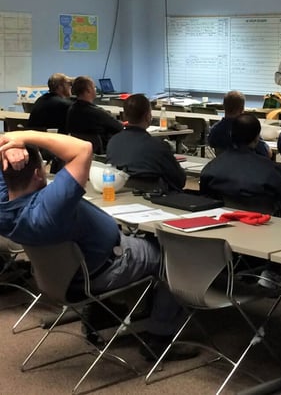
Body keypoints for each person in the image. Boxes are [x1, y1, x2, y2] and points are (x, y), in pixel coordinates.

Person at [0, 131, 195, 359]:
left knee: (145, 240)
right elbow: (83, 148)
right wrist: (24, 136)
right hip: (109, 266)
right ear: (37, 174)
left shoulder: (5, 202)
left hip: (62, 277)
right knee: (172, 254)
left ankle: (105, 311)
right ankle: (160, 338)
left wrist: (9, 146)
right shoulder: (51, 206)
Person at [200, 113, 281, 220]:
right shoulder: (271, 170)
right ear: (257, 138)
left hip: (226, 221)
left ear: (231, 135)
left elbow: (205, 199)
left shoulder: (211, 168)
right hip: (265, 224)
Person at [106, 94, 186, 191]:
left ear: (124, 116)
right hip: (155, 196)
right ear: (148, 116)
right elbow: (179, 180)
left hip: (121, 193)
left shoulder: (113, 142)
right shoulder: (158, 146)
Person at [65, 76, 123, 153]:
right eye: (94, 87)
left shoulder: (71, 110)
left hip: (79, 151)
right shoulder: (97, 112)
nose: (95, 89)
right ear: (88, 90)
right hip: (102, 152)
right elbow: (119, 127)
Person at [207, 90, 271, 158]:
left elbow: (211, 144)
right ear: (242, 109)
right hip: (247, 164)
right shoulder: (249, 129)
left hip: (222, 163)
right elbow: (266, 153)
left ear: (224, 107)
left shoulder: (215, 130)